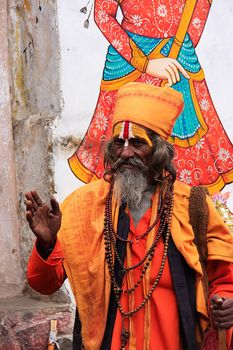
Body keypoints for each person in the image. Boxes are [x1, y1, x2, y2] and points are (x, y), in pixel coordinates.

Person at [26, 83, 233, 350]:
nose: (125, 152)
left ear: (159, 150)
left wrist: (226, 299)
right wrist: (46, 244)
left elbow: (224, 278)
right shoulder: (83, 207)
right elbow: (43, 284)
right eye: (119, 143)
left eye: (137, 143)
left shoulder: (193, 206)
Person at [68, 0, 233, 194]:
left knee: (181, 164)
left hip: (176, 63)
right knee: (124, 150)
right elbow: (103, 14)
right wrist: (146, 63)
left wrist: (175, 51)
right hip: (129, 64)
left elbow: (199, 6)